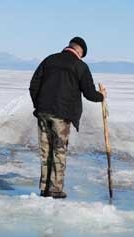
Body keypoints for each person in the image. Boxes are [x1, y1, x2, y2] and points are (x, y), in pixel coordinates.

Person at [29, 36, 106, 199]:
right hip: (62, 116)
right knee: (59, 150)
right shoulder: (80, 66)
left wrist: (39, 105)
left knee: (45, 150)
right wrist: (102, 96)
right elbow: (89, 93)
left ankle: (44, 188)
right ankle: (55, 189)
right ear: (79, 51)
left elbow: (34, 85)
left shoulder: (49, 60)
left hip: (43, 112)